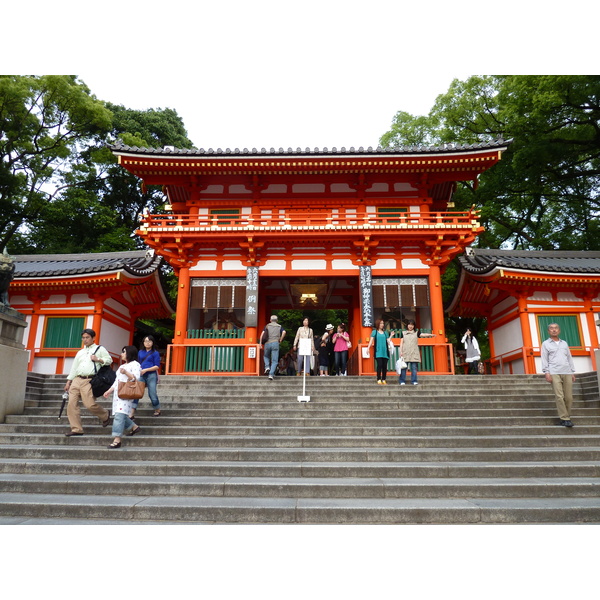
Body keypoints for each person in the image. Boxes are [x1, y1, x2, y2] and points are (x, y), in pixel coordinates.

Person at [63, 329, 112, 436]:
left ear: (93, 338)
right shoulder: (80, 352)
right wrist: (68, 381)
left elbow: (109, 360)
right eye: (83, 338)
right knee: (71, 404)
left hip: (89, 380)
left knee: (89, 404)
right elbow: (74, 367)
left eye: (87, 337)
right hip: (76, 379)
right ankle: (76, 429)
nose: (85, 340)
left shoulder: (100, 349)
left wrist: (98, 359)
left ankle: (105, 415)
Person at [103, 346, 142, 448]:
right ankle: (134, 427)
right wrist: (109, 391)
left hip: (127, 393)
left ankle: (117, 439)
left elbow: (136, 378)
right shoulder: (121, 366)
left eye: (124, 352)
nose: (122, 354)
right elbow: (117, 381)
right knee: (120, 414)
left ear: (129, 353)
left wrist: (126, 372)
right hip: (118, 393)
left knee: (119, 416)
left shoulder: (135, 364)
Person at [541, 322, 576, 427]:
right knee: (559, 396)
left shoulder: (564, 343)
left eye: (556, 328)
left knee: (569, 397)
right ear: (548, 331)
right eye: (551, 328)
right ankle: (565, 418)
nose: (554, 330)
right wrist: (546, 372)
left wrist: (572, 372)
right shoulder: (546, 344)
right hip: (554, 372)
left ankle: (567, 416)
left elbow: (569, 357)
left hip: (567, 371)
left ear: (559, 330)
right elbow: (544, 359)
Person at [130, 335, 162, 419]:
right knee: (137, 393)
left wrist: (146, 370)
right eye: (146, 341)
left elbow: (157, 366)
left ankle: (157, 409)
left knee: (152, 393)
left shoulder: (155, 353)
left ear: (152, 342)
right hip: (141, 374)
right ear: (143, 343)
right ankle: (132, 413)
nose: (147, 343)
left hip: (151, 375)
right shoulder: (140, 352)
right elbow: (137, 363)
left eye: (149, 341)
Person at [398, 320, 435, 385]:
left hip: (414, 353)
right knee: (403, 368)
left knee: (414, 368)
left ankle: (414, 381)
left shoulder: (416, 332)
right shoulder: (403, 333)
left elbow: (423, 335)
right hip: (405, 352)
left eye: (412, 325)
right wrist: (400, 351)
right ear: (407, 325)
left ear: (414, 326)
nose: (410, 326)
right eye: (409, 324)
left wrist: (431, 334)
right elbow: (401, 343)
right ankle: (402, 381)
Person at [366, 319, 394, 384]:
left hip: (385, 351)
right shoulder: (374, 332)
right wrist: (368, 348)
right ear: (378, 324)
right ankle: (378, 378)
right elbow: (371, 340)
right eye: (381, 323)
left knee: (384, 366)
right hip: (378, 351)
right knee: (379, 365)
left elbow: (388, 341)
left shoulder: (385, 332)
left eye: (383, 323)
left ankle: (384, 379)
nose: (382, 325)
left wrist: (391, 336)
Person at [259, 315, 286, 380]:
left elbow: (262, 335)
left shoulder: (267, 326)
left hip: (267, 343)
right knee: (274, 360)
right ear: (277, 320)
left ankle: (267, 367)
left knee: (266, 356)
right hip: (275, 343)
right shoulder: (279, 326)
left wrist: (260, 343)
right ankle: (271, 374)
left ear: (270, 320)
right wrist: (281, 339)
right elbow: (284, 332)